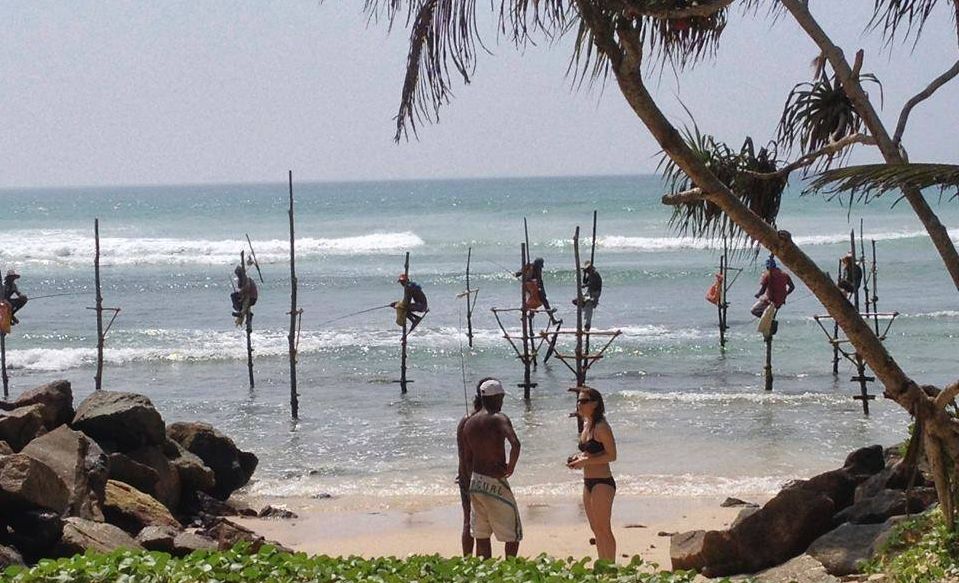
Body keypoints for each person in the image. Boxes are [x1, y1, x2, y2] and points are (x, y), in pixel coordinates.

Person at [462, 378, 522, 559]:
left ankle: (486, 568)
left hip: (476, 481)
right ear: (496, 397)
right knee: (512, 533)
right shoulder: (499, 418)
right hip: (494, 480)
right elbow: (515, 444)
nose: (502, 401)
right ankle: (509, 568)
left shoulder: (469, 423)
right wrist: (510, 468)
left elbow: (467, 457)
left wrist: (469, 479)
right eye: (501, 397)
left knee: (481, 532)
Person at [567, 386, 618, 562]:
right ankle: (603, 565)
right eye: (578, 401)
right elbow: (591, 453)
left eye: (584, 401)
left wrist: (585, 461)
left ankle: (610, 567)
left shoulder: (602, 426)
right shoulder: (587, 424)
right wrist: (578, 458)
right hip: (588, 481)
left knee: (604, 528)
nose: (579, 404)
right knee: (595, 529)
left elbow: (612, 455)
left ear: (595, 404)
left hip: (602, 482)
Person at [455, 380, 486, 556]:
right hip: (475, 477)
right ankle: (478, 561)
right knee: (478, 523)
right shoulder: (480, 421)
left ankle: (468, 560)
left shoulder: (465, 420)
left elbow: (462, 453)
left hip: (465, 476)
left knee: (469, 520)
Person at [573, 261, 603, 330]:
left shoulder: (595, 274)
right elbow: (584, 281)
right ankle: (584, 308)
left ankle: (587, 324)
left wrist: (585, 285)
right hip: (589, 293)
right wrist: (584, 273)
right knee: (576, 301)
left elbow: (592, 284)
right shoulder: (590, 274)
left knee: (589, 304)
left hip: (595, 293)